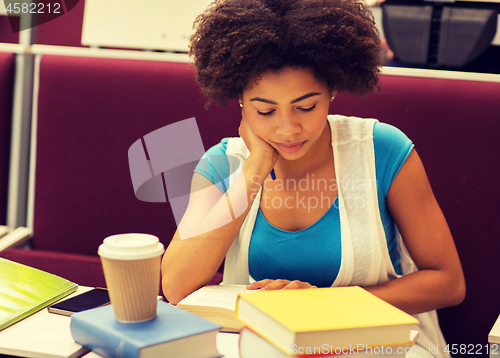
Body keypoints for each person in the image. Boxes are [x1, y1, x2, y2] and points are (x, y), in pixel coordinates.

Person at [161, 0, 465, 356]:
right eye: (265, 110)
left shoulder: (382, 149)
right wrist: (256, 167)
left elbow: (448, 282)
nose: (288, 129)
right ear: (240, 100)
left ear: (332, 90)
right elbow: (177, 285)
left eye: (306, 107)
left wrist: (322, 306)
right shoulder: (222, 164)